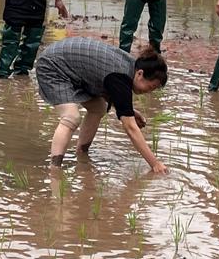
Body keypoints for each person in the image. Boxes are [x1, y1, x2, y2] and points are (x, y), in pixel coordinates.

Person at [35, 38, 168, 172]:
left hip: (71, 68)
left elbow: (109, 85)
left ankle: (81, 153)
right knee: (71, 117)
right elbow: (131, 128)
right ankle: (54, 169)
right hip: (52, 66)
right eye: (151, 87)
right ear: (140, 74)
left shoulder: (130, 67)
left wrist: (129, 111)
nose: (148, 92)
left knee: (98, 108)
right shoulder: (120, 77)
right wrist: (155, 164)